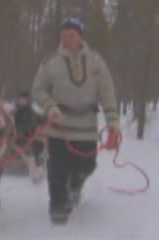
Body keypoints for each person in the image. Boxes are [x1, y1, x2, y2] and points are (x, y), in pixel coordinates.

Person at [31, 16, 121, 223]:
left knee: (87, 165)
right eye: (64, 35)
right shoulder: (50, 62)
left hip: (86, 126)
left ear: (80, 36)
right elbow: (38, 90)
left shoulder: (97, 62)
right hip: (58, 127)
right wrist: (49, 107)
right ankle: (58, 205)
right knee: (58, 168)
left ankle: (76, 186)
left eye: (71, 35)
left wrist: (112, 122)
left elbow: (107, 92)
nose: (67, 39)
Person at [13, 91, 47, 183]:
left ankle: (39, 170)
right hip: (18, 139)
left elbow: (40, 119)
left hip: (33, 138)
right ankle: (35, 172)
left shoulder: (32, 111)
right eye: (21, 100)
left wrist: (46, 118)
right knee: (29, 154)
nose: (22, 102)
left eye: (24, 100)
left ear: (28, 101)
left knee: (37, 150)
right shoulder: (15, 112)